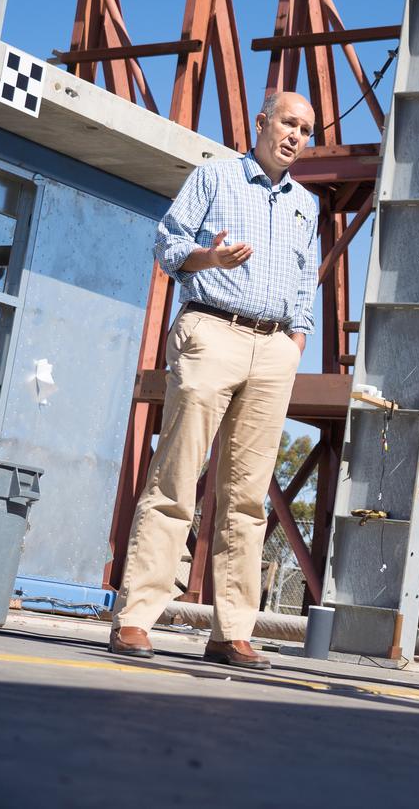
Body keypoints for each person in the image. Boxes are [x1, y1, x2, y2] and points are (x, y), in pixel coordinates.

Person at [109, 91, 319, 670]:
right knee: (177, 477)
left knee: (248, 498)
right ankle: (135, 618)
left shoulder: (307, 204)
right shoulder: (215, 178)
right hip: (212, 331)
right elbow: (168, 244)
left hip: (273, 348)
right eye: (288, 123)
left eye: (306, 129)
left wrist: (293, 342)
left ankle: (232, 631)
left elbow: (307, 280)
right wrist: (209, 258)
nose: (297, 135)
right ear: (261, 123)